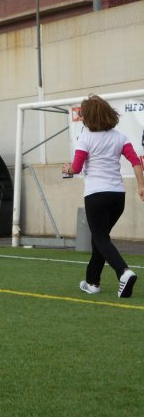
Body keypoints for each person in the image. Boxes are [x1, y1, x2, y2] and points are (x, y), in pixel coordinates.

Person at [62, 94, 144, 298]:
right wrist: (141, 185)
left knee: (100, 237)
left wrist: (68, 169)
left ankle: (124, 272)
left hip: (96, 195)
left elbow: (77, 167)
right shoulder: (120, 137)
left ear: (88, 117)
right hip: (118, 197)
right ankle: (92, 282)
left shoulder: (85, 138)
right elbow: (136, 162)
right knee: (100, 239)